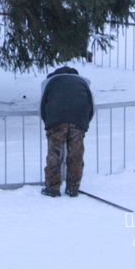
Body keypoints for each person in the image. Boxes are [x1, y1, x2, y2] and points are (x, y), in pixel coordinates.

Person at [39, 66, 94, 197]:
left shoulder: (51, 83)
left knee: (55, 154)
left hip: (56, 119)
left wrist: (48, 124)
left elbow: (42, 106)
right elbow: (91, 106)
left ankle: (52, 188)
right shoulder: (82, 83)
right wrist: (84, 125)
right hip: (78, 119)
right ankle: (73, 187)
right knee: (76, 154)